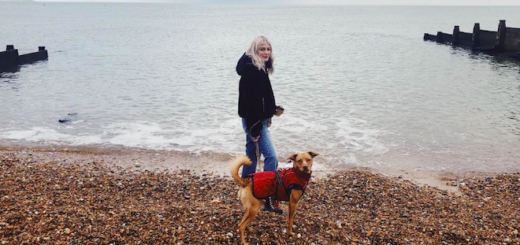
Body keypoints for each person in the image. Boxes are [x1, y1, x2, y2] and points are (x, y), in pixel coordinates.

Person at [236, 36, 283, 214]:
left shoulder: (259, 69)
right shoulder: (252, 71)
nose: (266, 52)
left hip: (256, 120)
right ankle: (266, 197)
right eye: (262, 49)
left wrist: (272, 108)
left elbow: (261, 99)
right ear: (254, 51)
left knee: (251, 157)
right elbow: (250, 103)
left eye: (268, 49)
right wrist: (255, 127)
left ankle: (246, 192)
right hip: (254, 121)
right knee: (271, 157)